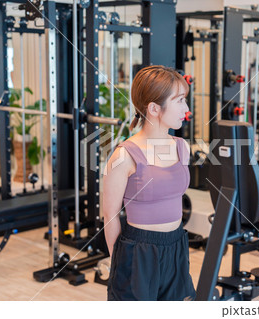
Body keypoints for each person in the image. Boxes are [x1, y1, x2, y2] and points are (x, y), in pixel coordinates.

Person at [102, 65, 196, 301]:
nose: (186, 109)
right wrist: (119, 263)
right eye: (180, 101)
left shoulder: (182, 147)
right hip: (138, 250)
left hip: (176, 244)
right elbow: (110, 215)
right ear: (154, 108)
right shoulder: (124, 156)